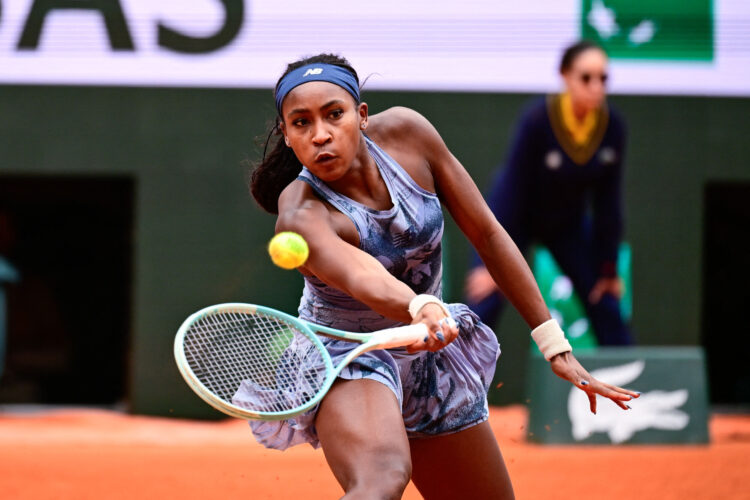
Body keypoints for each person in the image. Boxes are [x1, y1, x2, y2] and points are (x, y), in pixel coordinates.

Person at [247, 53, 638, 499]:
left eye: (334, 114)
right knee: (381, 479)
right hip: (349, 355)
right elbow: (361, 276)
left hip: (428, 359)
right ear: (287, 134)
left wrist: (552, 341)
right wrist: (421, 305)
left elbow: (487, 233)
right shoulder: (300, 214)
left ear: (361, 115)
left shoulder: (409, 135)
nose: (320, 134)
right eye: (301, 123)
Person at [465, 40, 634, 346]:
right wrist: (489, 263)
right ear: (565, 76)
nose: (596, 87)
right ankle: (451, 369)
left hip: (567, 224)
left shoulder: (613, 127)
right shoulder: (537, 119)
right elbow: (511, 189)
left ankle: (631, 374)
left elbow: (608, 203)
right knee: (487, 292)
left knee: (604, 296)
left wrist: (608, 268)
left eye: (603, 78)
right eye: (586, 78)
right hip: (516, 221)